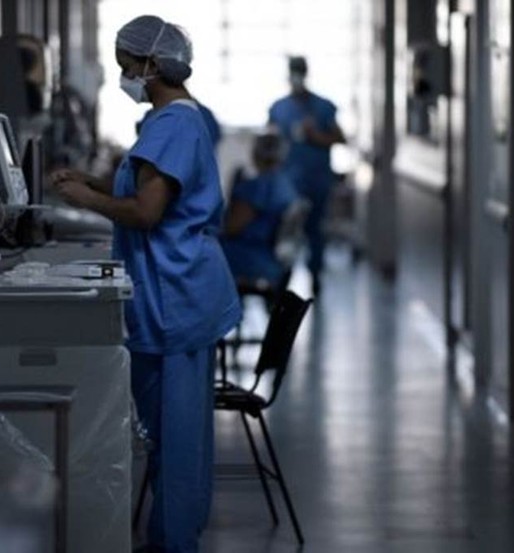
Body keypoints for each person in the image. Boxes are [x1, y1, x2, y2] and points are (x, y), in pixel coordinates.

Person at [49, 15, 241, 553]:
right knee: (174, 434)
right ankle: (176, 534)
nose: (124, 77)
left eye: (126, 67)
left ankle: (175, 543)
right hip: (175, 291)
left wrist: (89, 202)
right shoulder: (174, 121)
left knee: (175, 440)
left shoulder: (173, 126)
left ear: (152, 66)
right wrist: (94, 181)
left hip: (176, 297)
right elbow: (144, 184)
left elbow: (147, 212)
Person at [268, 56, 346, 295]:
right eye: (294, 71)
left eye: (299, 71)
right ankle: (280, 277)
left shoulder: (323, 106)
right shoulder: (278, 108)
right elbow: (270, 141)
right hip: (289, 180)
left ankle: (315, 275)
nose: (296, 77)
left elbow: (339, 138)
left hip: (317, 178)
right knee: (286, 228)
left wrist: (315, 137)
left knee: (315, 230)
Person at [221, 133, 298, 290]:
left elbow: (232, 227)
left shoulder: (256, 187)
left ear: (255, 153)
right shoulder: (285, 184)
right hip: (274, 260)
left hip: (251, 257)